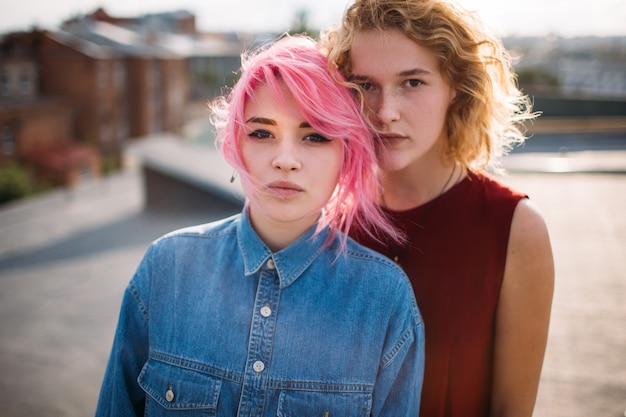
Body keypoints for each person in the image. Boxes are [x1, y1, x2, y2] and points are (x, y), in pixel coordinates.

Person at [95, 35, 425, 416]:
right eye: (262, 133)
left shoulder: (384, 299)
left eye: (315, 136)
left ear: (346, 155)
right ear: (237, 144)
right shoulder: (166, 267)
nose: (285, 160)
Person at [322, 1, 555, 416]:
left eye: (412, 83)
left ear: (456, 88)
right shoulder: (328, 222)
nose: (385, 112)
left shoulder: (514, 230)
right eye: (365, 86)